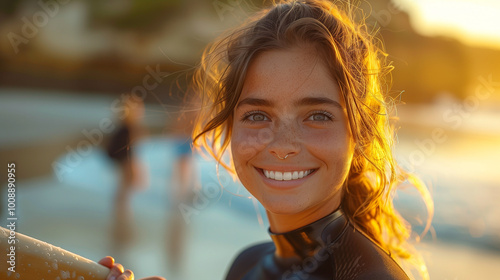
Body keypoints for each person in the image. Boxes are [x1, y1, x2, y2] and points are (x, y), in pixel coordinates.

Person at [100, 0, 433, 279]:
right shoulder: (245, 264)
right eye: (257, 116)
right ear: (229, 127)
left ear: (360, 131)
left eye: (317, 116)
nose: (282, 145)